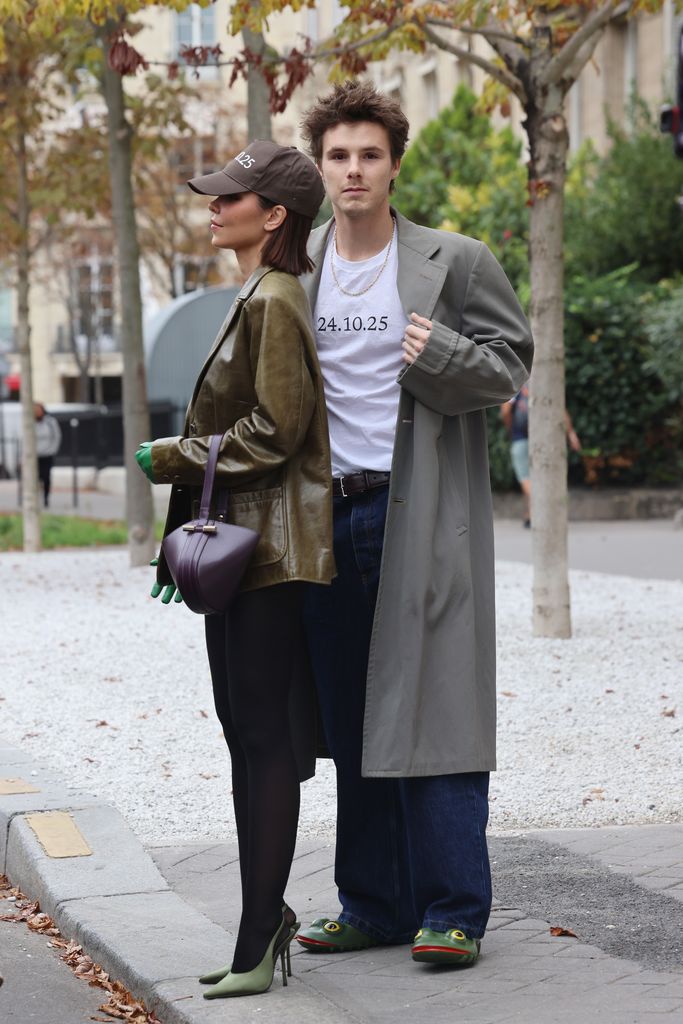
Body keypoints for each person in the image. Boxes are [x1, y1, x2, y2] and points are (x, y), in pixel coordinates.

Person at [294, 82, 534, 967]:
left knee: (435, 710)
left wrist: (438, 353)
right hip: (327, 519)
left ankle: (453, 910)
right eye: (337, 156)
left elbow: (510, 365)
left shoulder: (452, 260)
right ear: (320, 169)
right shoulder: (300, 264)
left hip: (421, 514)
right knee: (351, 718)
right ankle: (373, 904)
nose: (353, 171)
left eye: (368, 155)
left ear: (394, 165)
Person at [134, 141, 333, 998]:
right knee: (244, 735)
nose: (213, 208)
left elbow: (278, 430)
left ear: (274, 215)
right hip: (244, 549)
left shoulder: (277, 298)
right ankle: (261, 922)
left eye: (230, 198)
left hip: (271, 554)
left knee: (261, 740)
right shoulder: (253, 291)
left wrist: (172, 455)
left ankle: (259, 936)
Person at [501, 384, 581, 527]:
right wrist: (571, 433)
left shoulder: (516, 383)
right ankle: (530, 514)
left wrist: (510, 428)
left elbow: (506, 410)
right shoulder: (545, 383)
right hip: (543, 439)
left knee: (525, 477)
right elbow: (560, 410)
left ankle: (539, 510)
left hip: (520, 438)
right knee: (539, 476)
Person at [34, 403, 62, 506]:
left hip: (47, 454)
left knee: (46, 477)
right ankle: (34, 499)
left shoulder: (50, 422)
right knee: (34, 478)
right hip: (34, 456)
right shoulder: (29, 422)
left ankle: (45, 498)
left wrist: (53, 450)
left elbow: (57, 436)